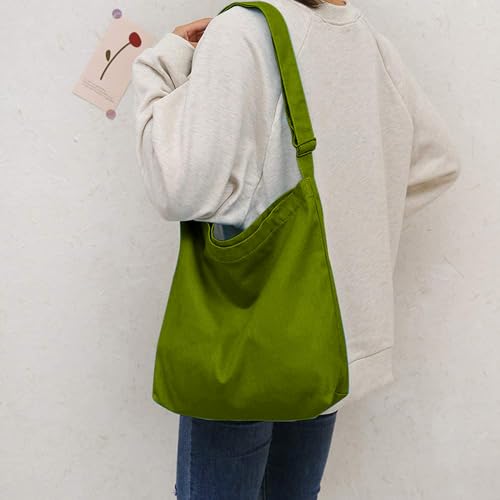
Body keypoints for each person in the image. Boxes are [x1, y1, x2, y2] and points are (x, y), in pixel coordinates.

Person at [131, 0, 461, 497]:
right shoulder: (369, 44)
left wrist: (162, 64)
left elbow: (177, 187)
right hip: (333, 347)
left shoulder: (243, 32)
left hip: (248, 345)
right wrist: (356, 227)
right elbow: (437, 162)